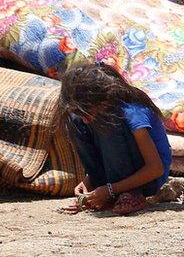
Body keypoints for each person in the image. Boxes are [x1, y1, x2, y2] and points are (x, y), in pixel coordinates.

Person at [58, 63, 172, 215]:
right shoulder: (96, 113)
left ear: (102, 99)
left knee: (108, 122)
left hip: (147, 180)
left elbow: (155, 169)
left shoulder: (131, 113)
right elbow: (107, 153)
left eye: (86, 112)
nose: (85, 120)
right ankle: (103, 189)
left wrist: (110, 190)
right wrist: (90, 182)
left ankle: (132, 192)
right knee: (73, 120)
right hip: (114, 180)